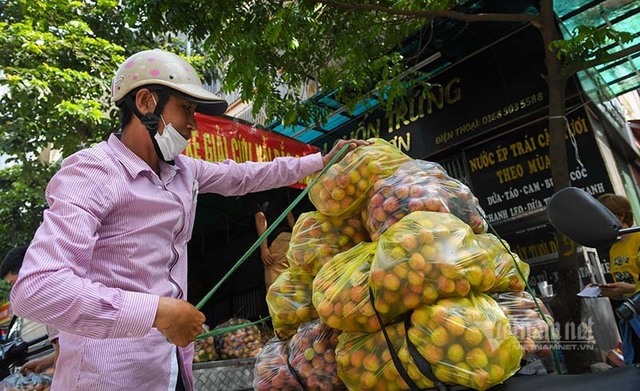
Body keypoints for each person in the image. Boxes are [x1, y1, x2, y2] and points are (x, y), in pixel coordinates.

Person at [9, 49, 368, 391]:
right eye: (185, 109)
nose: (193, 125)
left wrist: (320, 162)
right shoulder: (93, 172)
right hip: (110, 374)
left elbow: (245, 176)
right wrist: (157, 311)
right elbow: (38, 289)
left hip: (172, 366)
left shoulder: (183, 171)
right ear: (146, 103)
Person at [0, 246, 59, 374]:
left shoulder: (53, 300)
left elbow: (73, 357)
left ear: (27, 273)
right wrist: (44, 362)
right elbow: (67, 352)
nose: (14, 292)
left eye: (13, 284)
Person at [597, 193, 640, 365]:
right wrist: (611, 292)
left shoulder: (638, 237)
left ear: (620, 215)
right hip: (631, 315)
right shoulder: (614, 249)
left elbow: (632, 286)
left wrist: (628, 289)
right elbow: (625, 286)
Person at [244, 188, 296, 290]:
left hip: (275, 242)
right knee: (296, 281)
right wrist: (296, 238)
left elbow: (260, 218)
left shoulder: (249, 193)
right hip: (289, 237)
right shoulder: (274, 187)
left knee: (277, 290)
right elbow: (289, 215)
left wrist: (264, 248)